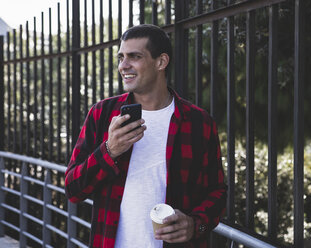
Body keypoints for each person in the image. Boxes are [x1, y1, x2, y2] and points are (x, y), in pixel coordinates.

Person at [65, 24, 227, 248]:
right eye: (121, 57)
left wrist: (195, 224)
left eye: (135, 56)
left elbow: (217, 191)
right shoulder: (102, 114)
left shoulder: (199, 122)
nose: (124, 65)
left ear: (161, 62)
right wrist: (109, 151)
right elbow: (73, 189)